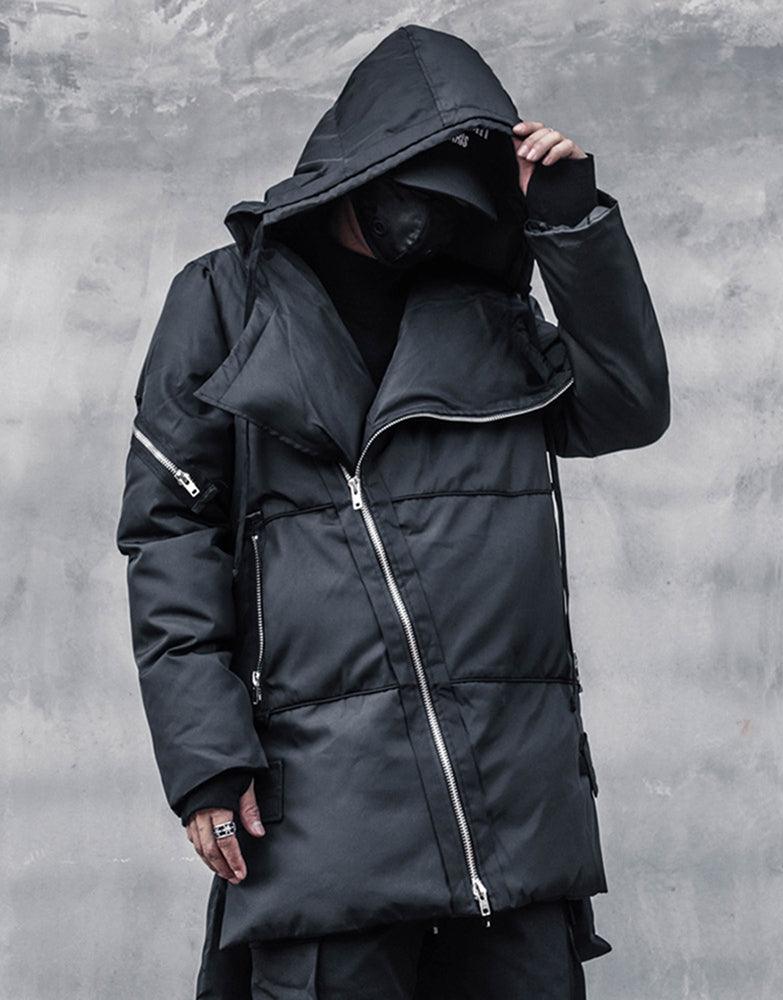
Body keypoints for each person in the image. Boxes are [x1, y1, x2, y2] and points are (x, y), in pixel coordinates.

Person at [115, 23, 669, 1000]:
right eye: (415, 190)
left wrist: (570, 226)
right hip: (323, 820)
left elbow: (625, 405)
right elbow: (169, 533)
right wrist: (205, 761)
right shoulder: (226, 299)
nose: (431, 221)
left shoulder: (484, 311)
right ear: (358, 169)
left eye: (458, 200)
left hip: (507, 815)